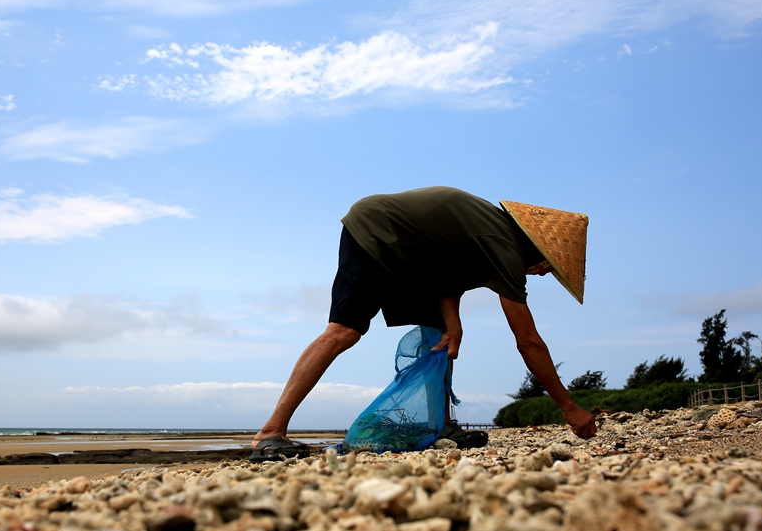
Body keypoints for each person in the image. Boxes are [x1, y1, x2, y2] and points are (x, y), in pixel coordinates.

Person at [250, 187, 597, 460]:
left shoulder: (493, 233)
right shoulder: (504, 247)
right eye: (547, 265)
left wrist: (453, 324)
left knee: (440, 335)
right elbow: (528, 341)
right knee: (344, 332)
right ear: (537, 248)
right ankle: (271, 431)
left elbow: (446, 273)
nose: (541, 272)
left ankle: (442, 426)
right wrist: (570, 409)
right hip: (376, 232)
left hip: (411, 253)